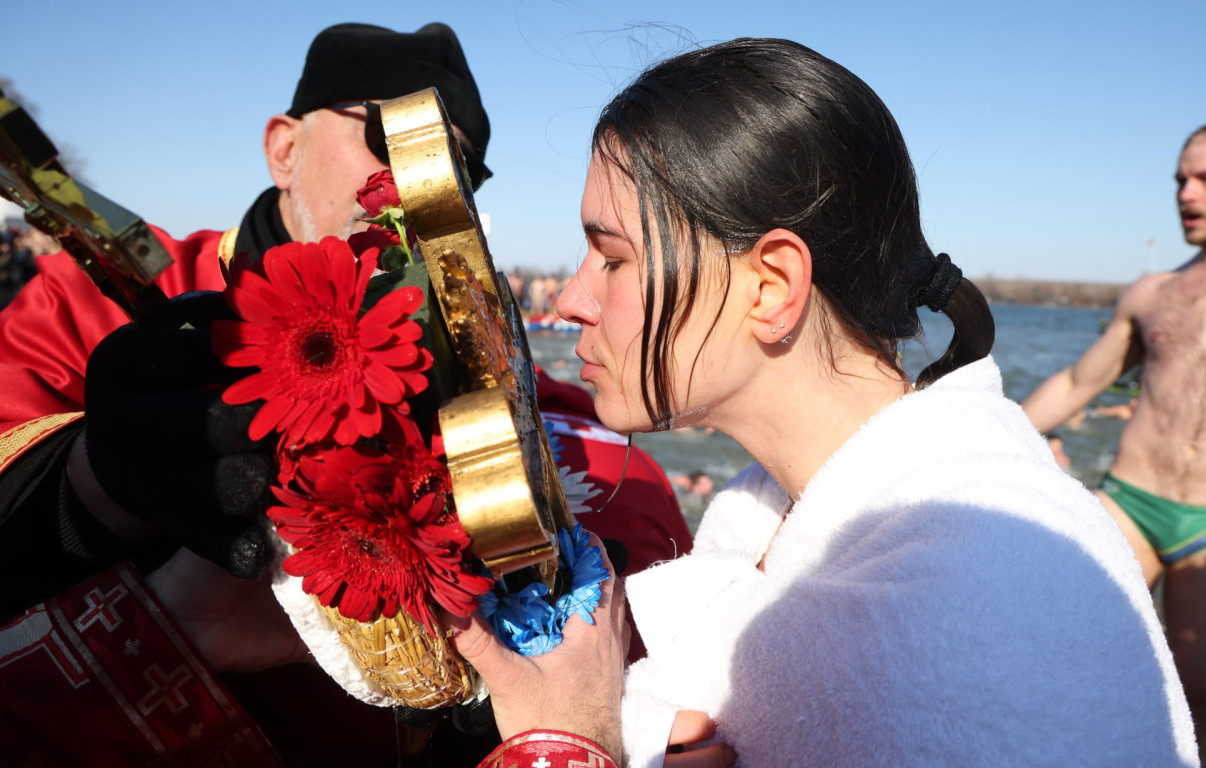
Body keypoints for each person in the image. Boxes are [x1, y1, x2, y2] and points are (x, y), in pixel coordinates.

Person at [449, 37, 1198, 766]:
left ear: (771, 286)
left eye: (613, 258)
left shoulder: (983, 599)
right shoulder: (776, 520)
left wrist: (562, 745)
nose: (573, 299)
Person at [0, 21, 691, 766]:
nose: (429, 183)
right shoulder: (94, 309)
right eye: (391, 135)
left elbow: (639, 586)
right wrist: (90, 486)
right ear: (284, 148)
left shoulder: (519, 403)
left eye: (457, 168)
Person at [1021, 119, 1206, 765]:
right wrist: (985, 440)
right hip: (1129, 503)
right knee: (1063, 668)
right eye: (1179, 180)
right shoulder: (1154, 292)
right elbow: (1082, 379)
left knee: (1199, 709)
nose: (1186, 194)